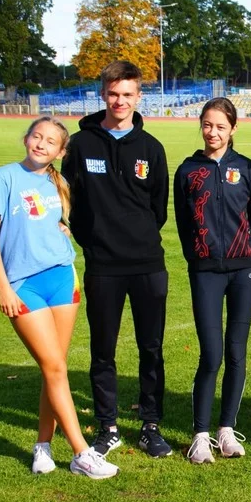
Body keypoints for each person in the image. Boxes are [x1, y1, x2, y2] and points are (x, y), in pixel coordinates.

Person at [0, 116, 119, 479]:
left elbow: (61, 223)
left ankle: (42, 447)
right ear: (26, 138)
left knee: (52, 367)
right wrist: (3, 287)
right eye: (37, 136)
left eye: (50, 141)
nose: (41, 144)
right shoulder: (2, 178)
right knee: (55, 368)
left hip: (61, 279)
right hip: (23, 285)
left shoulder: (59, 183)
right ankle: (81, 453)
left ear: (60, 151)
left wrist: (63, 230)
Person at [62, 60, 171, 458]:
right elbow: (67, 195)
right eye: (113, 94)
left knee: (151, 348)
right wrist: (91, 240)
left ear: (138, 97)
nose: (120, 101)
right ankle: (107, 426)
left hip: (147, 264)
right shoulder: (81, 143)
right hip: (103, 266)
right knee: (102, 349)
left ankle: (150, 424)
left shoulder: (151, 148)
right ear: (102, 94)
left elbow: (157, 208)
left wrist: (136, 235)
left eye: (127, 94)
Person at [174, 97, 251, 464]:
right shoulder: (187, 170)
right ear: (201, 125)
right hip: (206, 271)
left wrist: (243, 248)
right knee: (210, 354)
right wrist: (201, 254)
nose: (213, 132)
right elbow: (182, 222)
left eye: (221, 126)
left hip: (245, 271)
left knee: (235, 352)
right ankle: (200, 435)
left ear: (233, 129)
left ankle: (226, 429)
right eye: (208, 125)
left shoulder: (247, 168)